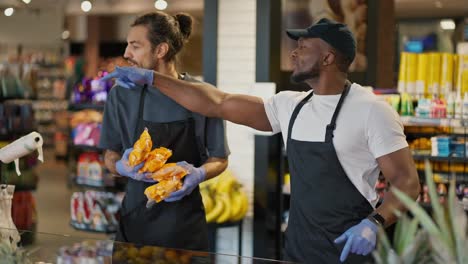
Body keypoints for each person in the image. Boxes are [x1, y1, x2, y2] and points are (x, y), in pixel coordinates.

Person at [102, 18, 420, 263]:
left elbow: (407, 183)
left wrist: (375, 223)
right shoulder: (291, 105)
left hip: (350, 249)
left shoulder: (371, 111)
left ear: (328, 57)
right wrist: (153, 79)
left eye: (304, 46)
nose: (293, 52)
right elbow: (218, 102)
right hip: (297, 246)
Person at [98, 12, 229, 251]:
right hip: (136, 220)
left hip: (184, 225)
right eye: (127, 45)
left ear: (160, 51)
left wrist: (198, 174)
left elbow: (219, 159)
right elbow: (109, 155)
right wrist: (120, 166)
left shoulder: (202, 95)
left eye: (135, 46)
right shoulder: (121, 95)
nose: (126, 54)